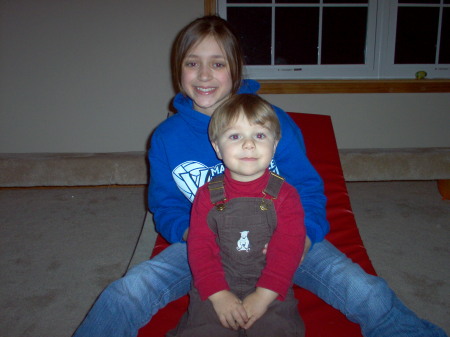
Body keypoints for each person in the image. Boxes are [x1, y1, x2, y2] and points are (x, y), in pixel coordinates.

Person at [73, 15, 448, 337]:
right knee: (126, 293)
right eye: (192, 63)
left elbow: (310, 189)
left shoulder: (273, 121)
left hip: (284, 240)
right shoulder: (167, 138)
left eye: (217, 63)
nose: (204, 75)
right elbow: (164, 203)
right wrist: (194, 236)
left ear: (236, 69)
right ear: (179, 70)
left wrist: (302, 239)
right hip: (205, 246)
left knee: (367, 292)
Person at [168, 94, 305, 337]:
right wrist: (218, 295)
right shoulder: (206, 195)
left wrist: (263, 296)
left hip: (271, 284)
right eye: (235, 136)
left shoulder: (286, 195)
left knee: (279, 330)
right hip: (215, 282)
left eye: (260, 135)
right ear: (217, 147)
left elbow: (288, 250)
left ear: (274, 145)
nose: (249, 144)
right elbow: (199, 249)